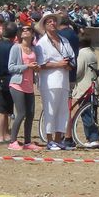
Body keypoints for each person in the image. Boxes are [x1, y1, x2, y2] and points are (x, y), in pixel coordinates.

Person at [34, 13, 75, 150]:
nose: (52, 23)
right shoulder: (42, 43)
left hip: (63, 79)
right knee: (50, 110)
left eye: (54, 21)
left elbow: (71, 58)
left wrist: (68, 65)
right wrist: (58, 64)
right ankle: (49, 140)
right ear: (44, 25)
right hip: (49, 81)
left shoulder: (64, 40)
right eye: (49, 22)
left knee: (63, 110)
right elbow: (40, 64)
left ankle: (59, 139)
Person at [6, 24, 40, 150]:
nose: (25, 31)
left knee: (30, 114)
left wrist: (36, 67)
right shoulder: (16, 48)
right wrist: (28, 66)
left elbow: (35, 65)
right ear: (20, 34)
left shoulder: (34, 49)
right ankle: (13, 141)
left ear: (32, 34)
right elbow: (11, 67)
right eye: (23, 30)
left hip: (29, 84)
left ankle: (27, 142)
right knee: (21, 113)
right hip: (17, 84)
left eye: (28, 29)